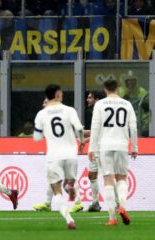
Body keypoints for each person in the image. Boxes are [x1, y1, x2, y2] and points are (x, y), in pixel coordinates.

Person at [33, 84, 85, 230]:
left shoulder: (42, 114)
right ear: (57, 94)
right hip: (71, 154)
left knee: (56, 191)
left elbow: (36, 137)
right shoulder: (69, 110)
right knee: (69, 181)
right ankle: (70, 185)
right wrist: (81, 141)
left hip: (54, 155)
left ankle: (69, 219)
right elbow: (79, 128)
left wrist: (46, 131)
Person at [88, 79, 138, 226]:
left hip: (105, 146)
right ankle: (122, 207)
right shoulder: (127, 104)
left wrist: (91, 148)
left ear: (105, 89)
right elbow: (133, 127)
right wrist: (134, 147)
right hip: (122, 145)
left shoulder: (100, 104)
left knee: (108, 180)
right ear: (118, 88)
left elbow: (95, 127)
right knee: (122, 178)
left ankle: (112, 218)